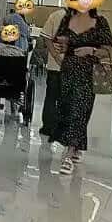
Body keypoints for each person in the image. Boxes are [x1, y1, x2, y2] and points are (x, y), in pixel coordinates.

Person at [52, 8, 112, 174]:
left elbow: (107, 51)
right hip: (68, 72)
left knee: (80, 110)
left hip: (88, 73)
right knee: (68, 109)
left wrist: (91, 50)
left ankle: (69, 153)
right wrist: (62, 47)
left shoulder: (100, 22)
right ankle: (76, 145)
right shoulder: (67, 19)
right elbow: (59, 43)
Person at [39, 7, 67, 139]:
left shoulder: (55, 15)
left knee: (51, 97)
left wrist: (55, 55)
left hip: (54, 65)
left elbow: (46, 38)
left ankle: (47, 127)